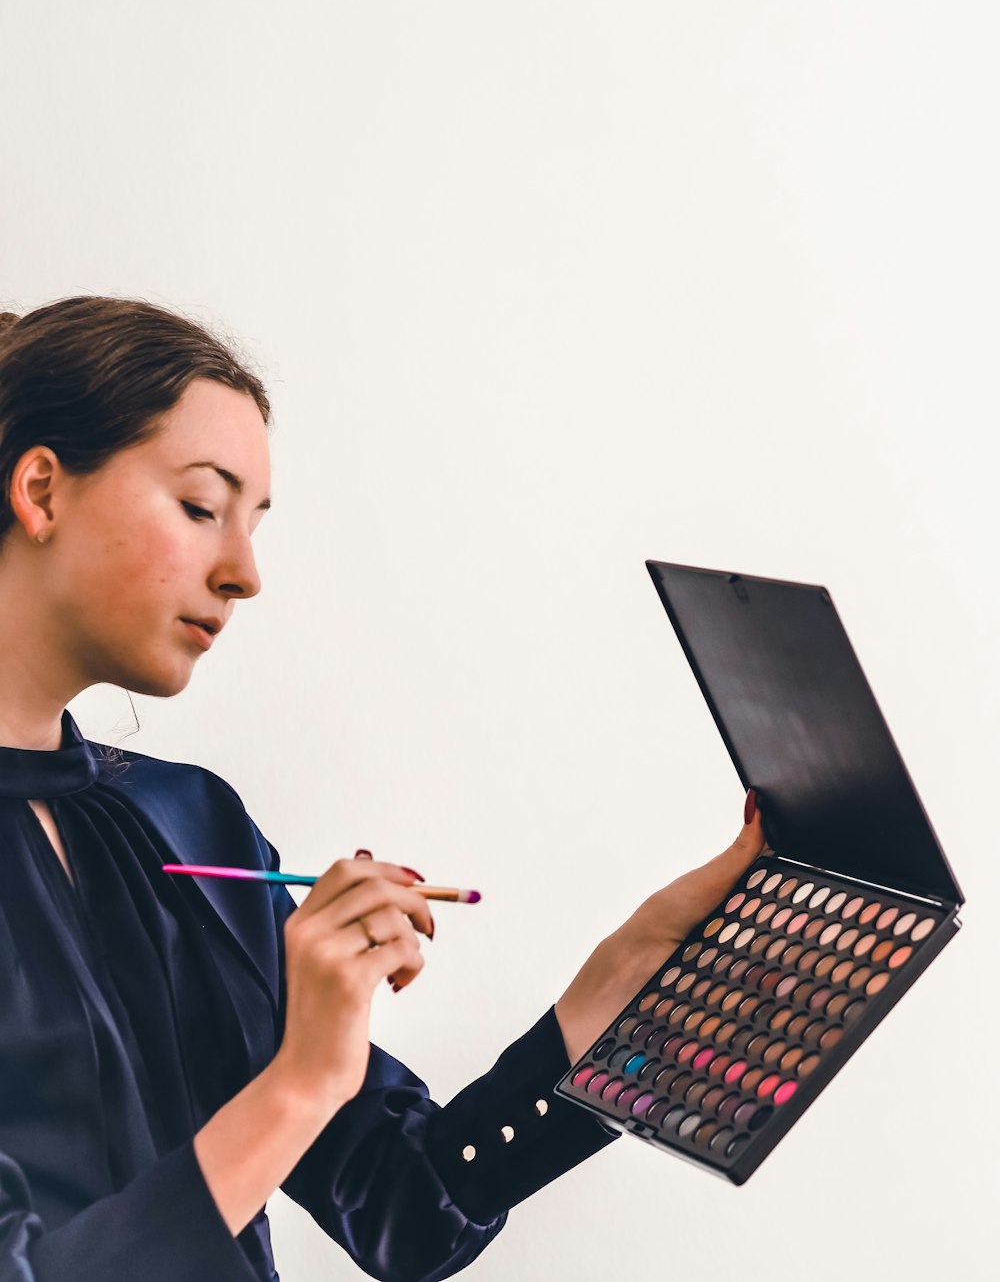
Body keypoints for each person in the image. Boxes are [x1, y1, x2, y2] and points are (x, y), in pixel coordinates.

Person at [0, 296, 769, 1282]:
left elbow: (413, 1208)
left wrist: (632, 978)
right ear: (41, 488)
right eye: (200, 506)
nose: (244, 572)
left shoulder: (190, 821)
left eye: (254, 522)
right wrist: (300, 1080)